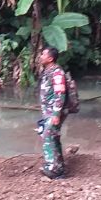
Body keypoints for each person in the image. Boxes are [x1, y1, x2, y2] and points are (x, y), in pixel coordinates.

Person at [38, 45, 70, 180]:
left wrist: (56, 114)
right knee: (52, 137)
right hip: (49, 111)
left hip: (54, 112)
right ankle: (58, 167)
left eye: (43, 54)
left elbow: (60, 94)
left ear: (50, 58)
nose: (40, 56)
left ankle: (53, 169)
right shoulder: (48, 71)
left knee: (48, 136)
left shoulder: (57, 73)